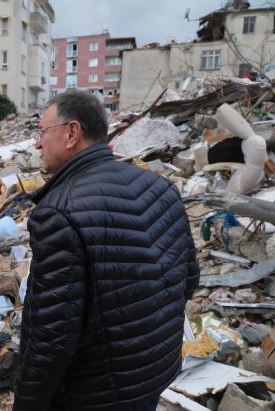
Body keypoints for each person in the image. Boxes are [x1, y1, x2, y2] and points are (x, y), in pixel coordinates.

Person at [13, 91, 199, 411]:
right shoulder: (159, 186)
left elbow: (52, 340)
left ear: (72, 133)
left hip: (97, 394)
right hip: (155, 374)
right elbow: (188, 279)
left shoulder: (59, 212)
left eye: (43, 133)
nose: (37, 144)